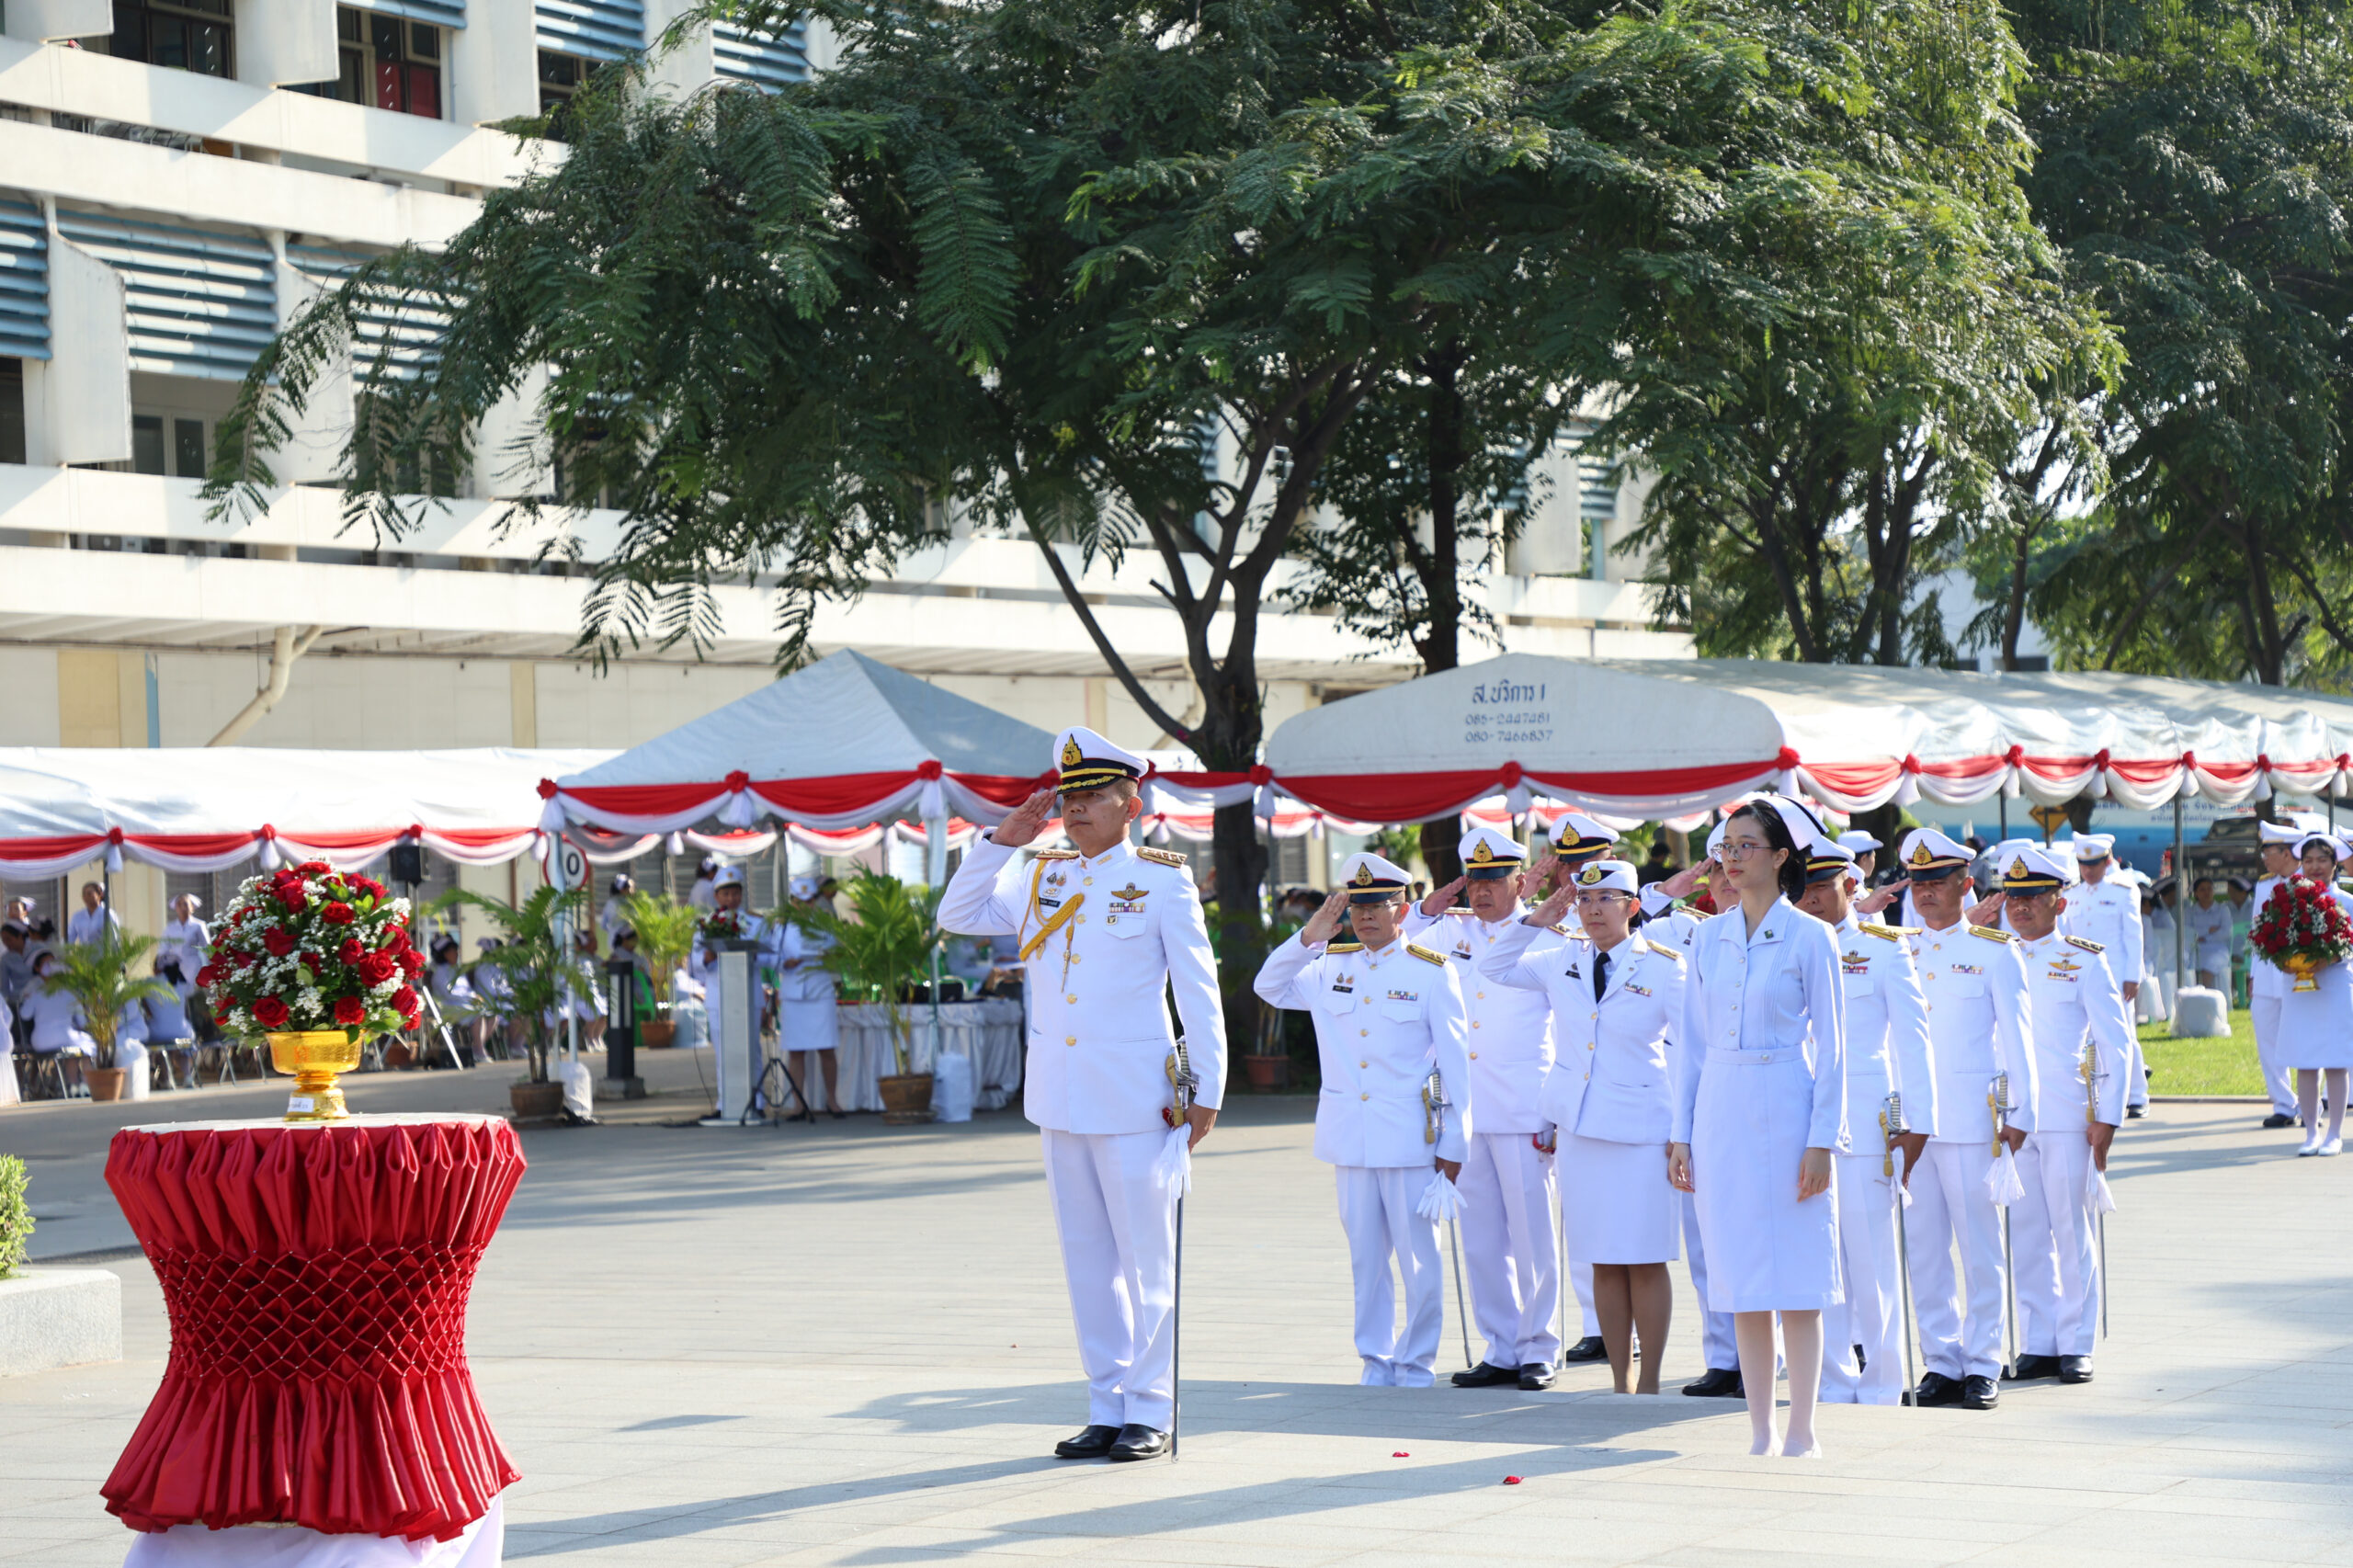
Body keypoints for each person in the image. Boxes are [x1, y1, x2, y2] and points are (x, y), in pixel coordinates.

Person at [939, 727, 1226, 1461]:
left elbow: (1198, 992)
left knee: (1146, 1259)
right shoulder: (1039, 874)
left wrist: (1207, 1089)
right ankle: (1106, 1404)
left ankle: (1151, 1409)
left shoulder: (1162, 881)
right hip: (1060, 1097)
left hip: (1135, 1099)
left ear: (1131, 806)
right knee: (1087, 1262)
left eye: (1094, 795)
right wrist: (1001, 843)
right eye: (1069, 795)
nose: (1075, 808)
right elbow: (957, 917)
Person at [1666, 794, 1846, 1458]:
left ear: (1780, 856)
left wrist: (1823, 1142)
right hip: (1722, 1106)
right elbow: (1691, 1043)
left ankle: (1802, 1429)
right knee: (1741, 1275)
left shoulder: (1812, 936)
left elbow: (1834, 1049)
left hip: (1787, 1100)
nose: (1733, 858)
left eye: (1747, 846)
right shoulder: (1707, 937)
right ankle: (1760, 1429)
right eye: (1726, 847)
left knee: (1797, 1275)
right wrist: (1681, 1133)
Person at [1256, 851, 1469, 1391]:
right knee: (1366, 1261)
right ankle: (1375, 1360)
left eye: (1378, 906)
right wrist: (1309, 937)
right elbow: (1268, 986)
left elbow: (1456, 1064)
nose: (1366, 916)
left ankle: (1416, 1364)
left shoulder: (1431, 971)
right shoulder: (1328, 966)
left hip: (1410, 1139)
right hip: (1349, 1138)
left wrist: (1455, 1143)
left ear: (1403, 910)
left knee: (1419, 1261)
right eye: (1358, 907)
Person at [1483, 858, 1685, 1394]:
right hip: (1579, 1128)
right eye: (1584, 900)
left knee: (1644, 1259)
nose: (1592, 910)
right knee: (1602, 1259)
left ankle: (1650, 1382)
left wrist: (1683, 1133)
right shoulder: (1560, 958)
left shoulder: (1665, 967)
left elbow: (1692, 1051)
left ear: (1632, 906)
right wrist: (1535, 920)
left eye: (1606, 899)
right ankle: (1620, 1381)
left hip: (1643, 1132)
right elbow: (1494, 967)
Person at [1404, 824, 1568, 1392]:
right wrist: (1428, 907)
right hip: (1464, 1110)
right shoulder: (1449, 931)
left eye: (1495, 879)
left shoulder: (1549, 935)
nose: (1482, 891)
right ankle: (1500, 1348)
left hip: (1525, 1108)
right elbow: (1398, 943)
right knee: (1480, 1240)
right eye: (1475, 880)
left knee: (1532, 1237)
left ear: (1520, 882)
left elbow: (1569, 1027)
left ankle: (1539, 1348)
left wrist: (1554, 1109)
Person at [1895, 826, 2037, 1412]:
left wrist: (2021, 1111)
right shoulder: (1896, 950)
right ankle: (1941, 1362)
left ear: (1964, 884)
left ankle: (1982, 1362)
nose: (1926, 892)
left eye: (1937, 880)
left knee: (1980, 1248)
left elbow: (2018, 1039)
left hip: (1970, 1121)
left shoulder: (1994, 951)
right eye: (1918, 882)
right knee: (1924, 1250)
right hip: (1910, 1125)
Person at [1795, 838, 1935, 1408]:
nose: (1810, 900)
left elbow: (1913, 1039)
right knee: (1817, 1260)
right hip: (1800, 1123)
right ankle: (1831, 1379)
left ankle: (1881, 1383)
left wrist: (1917, 1123)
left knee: (1873, 1262)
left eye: (1821, 888)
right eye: (1801, 889)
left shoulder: (1883, 949)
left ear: (1851, 886)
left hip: (1863, 1124)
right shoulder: (1788, 945)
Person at [1995, 845, 2131, 1385]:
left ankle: (2076, 1343)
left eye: (2032, 896)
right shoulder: (1995, 955)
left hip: (2066, 1114)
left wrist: (2108, 1116)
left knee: (2072, 1231)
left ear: (2060, 901)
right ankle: (2040, 1342)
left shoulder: (2083, 959)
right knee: (2026, 1234)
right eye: (2013, 897)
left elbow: (2115, 1043)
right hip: (2011, 1118)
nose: (2020, 906)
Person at [1639, 824, 1745, 1398]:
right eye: (1718, 868)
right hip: (1696, 1107)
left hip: (1759, 1103)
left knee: (1763, 1235)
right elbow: (1622, 924)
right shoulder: (1682, 932)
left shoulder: (1786, 932)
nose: (1728, 878)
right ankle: (1724, 1357)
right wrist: (1666, 891)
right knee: (1705, 1243)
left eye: (1737, 864)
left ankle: (1772, 1352)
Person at [2276, 832, 2353, 1157]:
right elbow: (2272, 938)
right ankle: (2311, 1132)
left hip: (2335, 986)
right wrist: (2285, 960)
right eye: (2308, 861)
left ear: (2335, 865)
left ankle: (2335, 1133)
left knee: (2335, 1061)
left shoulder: (2347, 901)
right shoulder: (2287, 900)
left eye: (2322, 860)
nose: (2315, 866)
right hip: (2299, 989)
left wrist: (2330, 958)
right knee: (2305, 1062)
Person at [2247, 820, 2324, 1129]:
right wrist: (2253, 976)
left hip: (2303, 976)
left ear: (2287, 853)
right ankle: (2283, 1104)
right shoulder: (2264, 885)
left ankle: (2310, 1105)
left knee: (2306, 1040)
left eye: (2269, 852)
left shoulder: (2310, 883)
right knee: (2268, 1042)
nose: (2264, 858)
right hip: (2268, 976)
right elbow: (2256, 933)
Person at [2065, 836, 2147, 1117]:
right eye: (2083, 864)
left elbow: (2133, 936)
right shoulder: (2072, 895)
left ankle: (2136, 1096)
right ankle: (2099, 1094)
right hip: (2081, 978)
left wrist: (2133, 976)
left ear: (2107, 862)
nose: (2088, 870)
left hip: (2116, 976)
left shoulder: (2123, 891)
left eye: (2094, 864)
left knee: (2123, 1036)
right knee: (2087, 1037)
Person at [777, 875, 847, 1119]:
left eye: (810, 901)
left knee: (826, 1048)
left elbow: (839, 950)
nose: (806, 905)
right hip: (794, 992)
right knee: (796, 1052)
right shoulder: (782, 927)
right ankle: (798, 1104)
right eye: (801, 901)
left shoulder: (825, 924)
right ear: (793, 901)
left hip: (820, 991)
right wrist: (784, 963)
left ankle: (832, 1100)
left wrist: (829, 955)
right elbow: (771, 957)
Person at [21, 949, 95, 1095]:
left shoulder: (36, 992)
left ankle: (73, 1085)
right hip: (66, 1036)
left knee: (72, 1048)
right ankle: (83, 1084)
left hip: (40, 1040)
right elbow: (82, 1022)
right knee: (87, 1044)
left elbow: (24, 1015)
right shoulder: (70, 993)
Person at [2185, 877, 2234, 995]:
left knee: (2210, 963)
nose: (2206, 892)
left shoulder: (2223, 909)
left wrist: (2206, 938)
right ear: (2196, 893)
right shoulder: (2190, 911)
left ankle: (2205, 995)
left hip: (2219, 949)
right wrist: (2208, 930)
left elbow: (2226, 932)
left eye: (2209, 889)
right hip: (2196, 948)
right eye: (2202, 890)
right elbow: (2188, 932)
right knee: (2187, 963)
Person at [65, 881, 119, 948]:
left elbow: (114, 939)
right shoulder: (77, 916)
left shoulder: (108, 914)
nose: (86, 897)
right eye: (84, 894)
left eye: (89, 894)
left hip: (103, 953)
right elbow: (69, 938)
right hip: (84, 953)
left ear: (100, 895)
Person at [598, 874, 637, 949]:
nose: (633, 890)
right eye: (631, 887)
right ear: (622, 889)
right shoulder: (629, 904)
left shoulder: (609, 903)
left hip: (612, 942)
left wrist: (613, 930)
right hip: (626, 944)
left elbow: (603, 925)